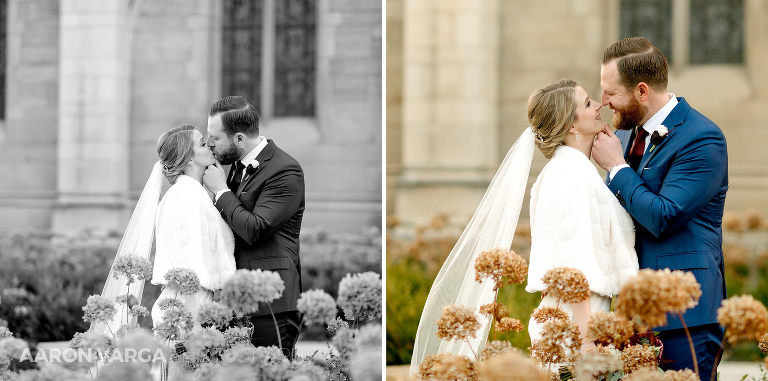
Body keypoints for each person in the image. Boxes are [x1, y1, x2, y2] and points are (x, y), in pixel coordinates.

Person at [410, 79, 638, 373]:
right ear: (570, 125)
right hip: (576, 325)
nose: (598, 106)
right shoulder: (571, 175)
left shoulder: (566, 172)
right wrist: (587, 344)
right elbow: (573, 265)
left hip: (576, 318)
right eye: (587, 103)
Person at [592, 37, 728, 380]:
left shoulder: (702, 138)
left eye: (611, 93)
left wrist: (618, 170)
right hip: (630, 313)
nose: (605, 102)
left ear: (641, 91)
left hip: (686, 316)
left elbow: (663, 216)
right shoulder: (623, 137)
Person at [202, 96, 305, 358]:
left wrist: (221, 191)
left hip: (274, 305)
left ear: (238, 139)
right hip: (239, 299)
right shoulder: (236, 167)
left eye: (215, 137)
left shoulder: (286, 170)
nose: (209, 143)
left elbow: (255, 229)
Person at [150, 125, 236, 326]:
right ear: (189, 158)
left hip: (199, 303)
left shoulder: (196, 194)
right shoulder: (185, 196)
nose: (211, 146)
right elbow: (186, 262)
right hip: (186, 309)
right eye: (203, 144)